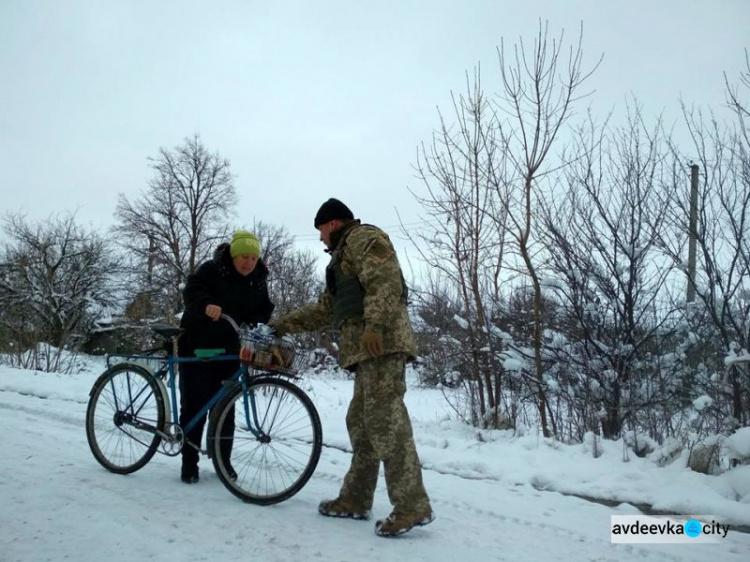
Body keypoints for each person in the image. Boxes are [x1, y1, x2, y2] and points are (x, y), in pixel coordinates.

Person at [269, 198, 434, 537]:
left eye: (320, 232)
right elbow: (326, 309)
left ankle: (412, 505)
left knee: (386, 422)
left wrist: (374, 326)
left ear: (332, 224)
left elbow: (385, 281)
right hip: (366, 351)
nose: (319, 240)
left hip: (381, 344)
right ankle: (356, 498)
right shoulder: (343, 258)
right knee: (361, 423)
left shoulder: (363, 238)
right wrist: (281, 325)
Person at [177, 229, 274, 484]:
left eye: (253, 258)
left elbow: (263, 308)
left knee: (226, 409)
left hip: (230, 349)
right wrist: (206, 304)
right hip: (198, 344)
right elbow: (191, 292)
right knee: (195, 405)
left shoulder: (258, 278)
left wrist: (258, 323)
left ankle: (223, 461)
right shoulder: (212, 270)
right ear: (232, 255)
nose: (248, 263)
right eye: (243, 256)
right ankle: (189, 462)